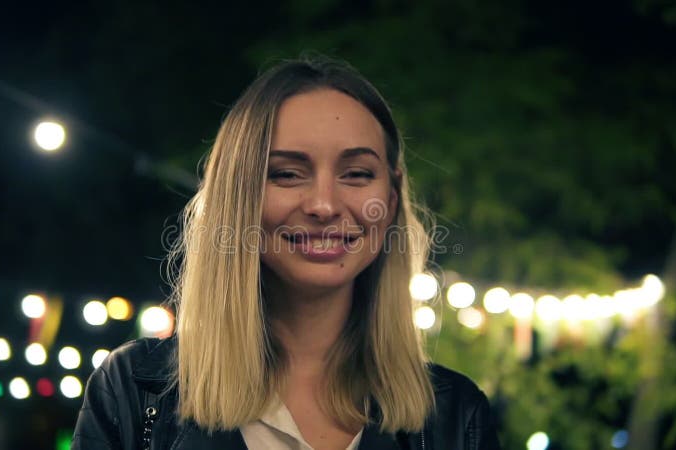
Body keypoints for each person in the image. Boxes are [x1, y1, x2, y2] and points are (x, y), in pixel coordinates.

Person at [71, 56, 500, 450]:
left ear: (389, 200)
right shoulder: (135, 389)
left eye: (356, 173)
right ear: (237, 197)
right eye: (287, 174)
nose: (324, 205)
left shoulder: (456, 416)